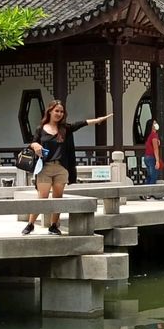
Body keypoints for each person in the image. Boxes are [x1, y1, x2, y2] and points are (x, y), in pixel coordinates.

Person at [21, 100, 112, 235]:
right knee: (42, 197)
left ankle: (53, 226)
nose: (59, 113)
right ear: (50, 111)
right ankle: (30, 224)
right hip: (44, 167)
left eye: (61, 111)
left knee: (58, 198)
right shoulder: (41, 128)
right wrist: (35, 146)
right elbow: (33, 142)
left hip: (61, 168)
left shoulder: (65, 129)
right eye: (56, 111)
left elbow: (81, 124)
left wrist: (98, 120)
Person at [141, 118, 161, 200]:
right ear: (151, 126)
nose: (156, 124)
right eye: (154, 123)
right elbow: (155, 149)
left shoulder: (149, 135)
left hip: (147, 157)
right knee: (153, 176)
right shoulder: (153, 135)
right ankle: (149, 194)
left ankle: (145, 193)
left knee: (149, 176)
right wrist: (157, 160)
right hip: (152, 157)